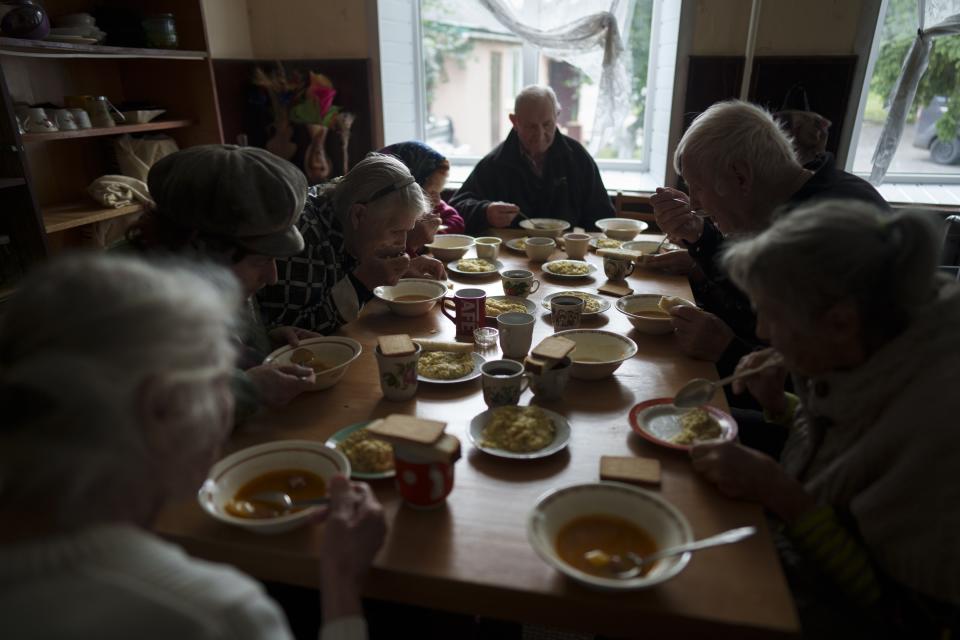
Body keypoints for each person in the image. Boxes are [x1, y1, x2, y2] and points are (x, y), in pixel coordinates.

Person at [0, 254, 387, 640]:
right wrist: (341, 584)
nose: (232, 398)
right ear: (160, 409)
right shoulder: (213, 615)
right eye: (222, 381)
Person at [690, 201, 959, 637]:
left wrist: (781, 494)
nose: (760, 332)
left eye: (771, 315)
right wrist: (783, 407)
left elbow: (902, 619)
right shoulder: (877, 348)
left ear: (839, 323)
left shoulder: (940, 425)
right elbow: (851, 452)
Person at [648, 100, 889, 375]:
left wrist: (728, 352)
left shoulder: (828, 233)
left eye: (698, 188)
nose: (694, 204)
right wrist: (701, 247)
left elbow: (841, 386)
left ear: (740, 177)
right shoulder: (804, 194)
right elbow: (756, 299)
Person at [128, 144, 323, 420]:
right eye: (259, 262)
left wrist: (267, 344)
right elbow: (153, 405)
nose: (272, 277)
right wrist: (248, 389)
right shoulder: (130, 298)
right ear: (200, 250)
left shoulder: (216, 272)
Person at [258, 153, 446, 334]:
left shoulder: (346, 208)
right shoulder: (302, 233)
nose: (403, 243)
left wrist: (401, 271)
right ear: (358, 215)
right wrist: (361, 283)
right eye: (396, 231)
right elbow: (294, 330)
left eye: (407, 230)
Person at [450, 85, 614, 235]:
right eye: (531, 126)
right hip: (511, 259)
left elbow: (603, 216)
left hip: (567, 257)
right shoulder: (496, 162)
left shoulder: (577, 158)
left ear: (557, 116)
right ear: (515, 122)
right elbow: (456, 208)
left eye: (547, 124)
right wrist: (485, 212)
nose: (541, 135)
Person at [379, 140, 465, 254]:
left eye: (437, 192)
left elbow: (457, 222)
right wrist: (416, 240)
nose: (435, 197)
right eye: (429, 192)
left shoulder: (432, 202)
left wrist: (428, 238)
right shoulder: (383, 222)